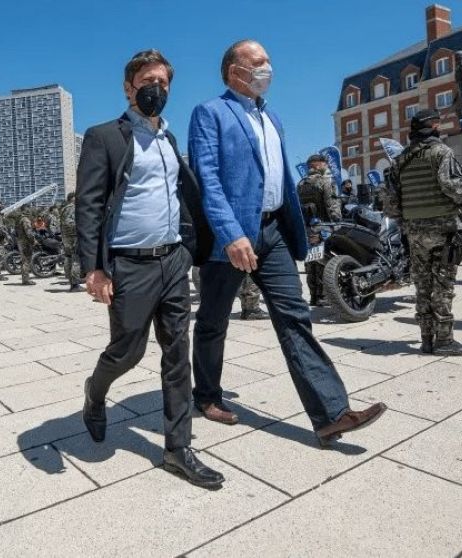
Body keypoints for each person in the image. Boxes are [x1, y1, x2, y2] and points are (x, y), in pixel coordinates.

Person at [188, 39, 386, 445]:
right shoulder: (210, 113)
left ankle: (331, 413)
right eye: (258, 62)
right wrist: (231, 234)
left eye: (268, 62)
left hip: (274, 232)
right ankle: (206, 395)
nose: (267, 69)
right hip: (232, 236)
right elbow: (206, 179)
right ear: (234, 71)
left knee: (294, 316)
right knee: (212, 320)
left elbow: (276, 179)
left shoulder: (272, 118)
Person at [76, 49, 224, 488]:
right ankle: (95, 392)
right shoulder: (105, 136)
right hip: (128, 264)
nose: (155, 89)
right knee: (127, 351)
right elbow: (89, 203)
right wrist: (94, 268)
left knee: (177, 356)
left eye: (162, 82)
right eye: (146, 81)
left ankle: (179, 449)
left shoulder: (168, 141)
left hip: (172, 259)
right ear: (128, 86)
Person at [387, 109, 462, 355]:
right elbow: (452, 187)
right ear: (433, 126)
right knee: (443, 284)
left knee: (422, 284)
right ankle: (445, 340)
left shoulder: (400, 160)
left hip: (414, 232)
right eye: (437, 123)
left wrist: (409, 222)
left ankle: (426, 338)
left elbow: (392, 204)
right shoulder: (441, 152)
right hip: (442, 228)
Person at [296, 153, 341, 306]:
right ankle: (324, 296)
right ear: (318, 165)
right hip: (323, 228)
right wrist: (337, 223)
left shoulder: (300, 184)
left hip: (307, 229)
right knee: (324, 262)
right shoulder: (325, 182)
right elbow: (332, 207)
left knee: (311, 263)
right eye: (325, 164)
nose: (326, 166)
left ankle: (314, 296)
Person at [58, 192, 82, 291]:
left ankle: (70, 280)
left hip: (65, 237)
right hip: (73, 237)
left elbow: (62, 223)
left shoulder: (63, 209)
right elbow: (71, 223)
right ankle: (75, 284)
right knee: (76, 259)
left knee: (68, 258)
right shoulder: (73, 208)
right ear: (72, 198)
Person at [13, 208, 37, 285]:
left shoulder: (18, 219)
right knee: (26, 261)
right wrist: (34, 241)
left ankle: (24, 279)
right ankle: (26, 280)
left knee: (24, 261)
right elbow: (29, 232)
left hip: (20, 241)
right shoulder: (25, 220)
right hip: (26, 242)